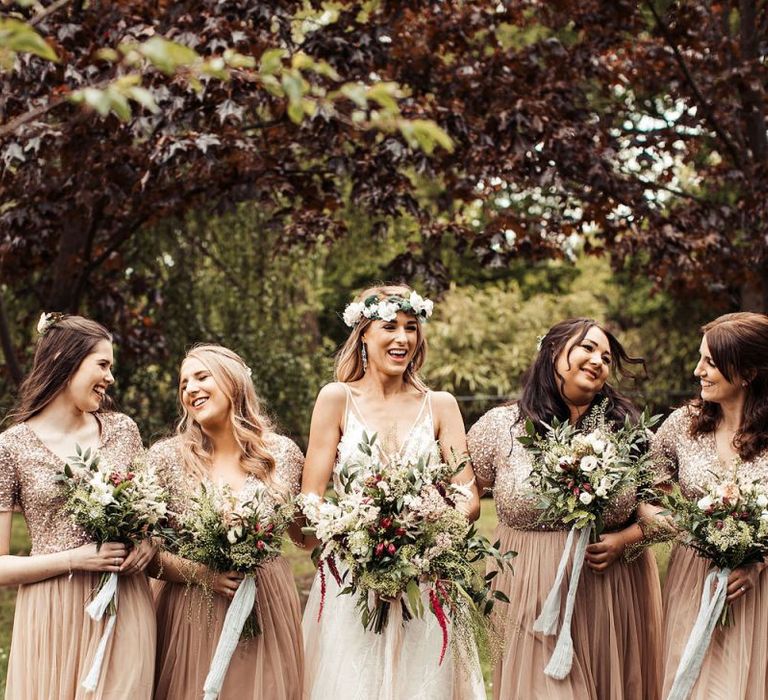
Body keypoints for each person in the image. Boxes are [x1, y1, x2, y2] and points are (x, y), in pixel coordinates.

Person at [300, 284, 485, 700]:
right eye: (390, 327)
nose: (402, 338)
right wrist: (354, 531)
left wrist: (422, 529)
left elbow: (469, 498)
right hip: (353, 578)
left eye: (411, 327)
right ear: (364, 333)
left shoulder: (440, 404)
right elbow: (310, 497)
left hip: (424, 576)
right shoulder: (336, 399)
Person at [467, 318, 662, 700]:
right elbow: (466, 493)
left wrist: (624, 539)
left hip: (605, 592)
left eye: (606, 357)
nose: (598, 361)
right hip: (525, 589)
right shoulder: (501, 426)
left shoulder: (630, 432)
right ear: (553, 351)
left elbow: (662, 513)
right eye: (587, 348)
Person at [0, 313, 155, 699]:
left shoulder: (123, 430)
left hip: (124, 602)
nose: (110, 378)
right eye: (102, 364)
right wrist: (77, 559)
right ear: (63, 360)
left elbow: (150, 521)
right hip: (50, 610)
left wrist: (148, 546)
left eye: (111, 367)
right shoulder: (11, 447)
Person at [148, 344, 304, 700]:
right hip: (190, 610)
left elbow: (304, 535)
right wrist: (201, 574)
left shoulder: (282, 453)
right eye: (184, 383)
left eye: (202, 377)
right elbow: (145, 554)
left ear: (233, 383)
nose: (190, 389)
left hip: (266, 603)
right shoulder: (165, 458)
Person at [652, 312, 768, 699]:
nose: (697, 370)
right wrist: (681, 525)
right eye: (700, 358)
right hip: (692, 578)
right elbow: (642, 493)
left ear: (748, 372)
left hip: (755, 588)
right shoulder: (682, 424)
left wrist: (757, 562)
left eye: (711, 363)